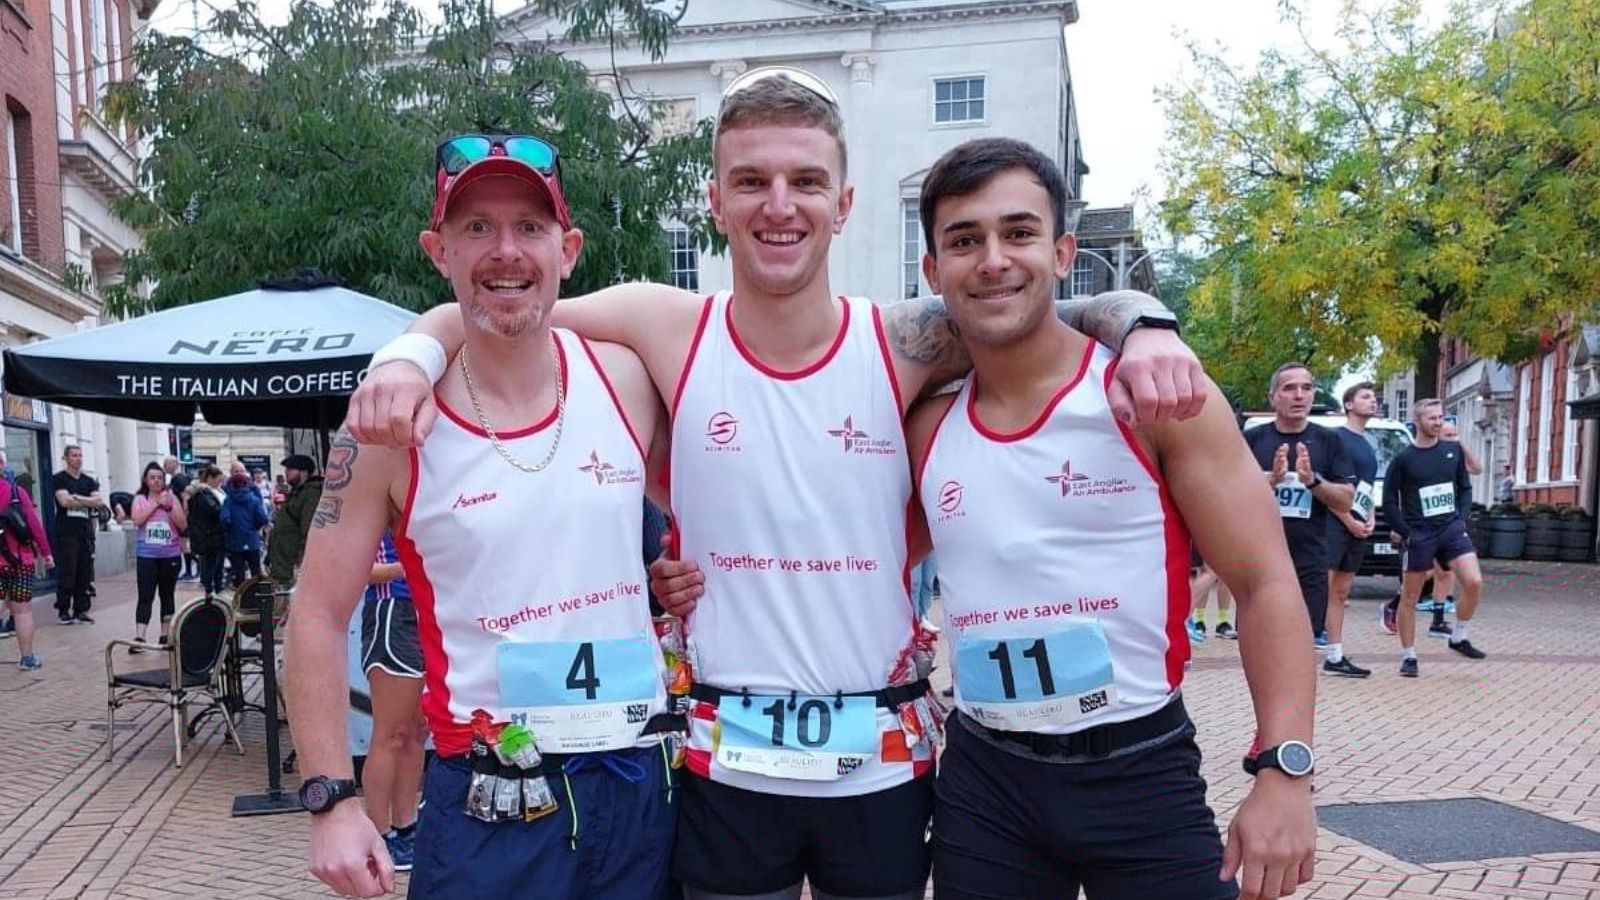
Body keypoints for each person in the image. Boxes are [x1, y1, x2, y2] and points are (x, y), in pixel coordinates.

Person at [347, 71, 1206, 900]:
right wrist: (412, 350)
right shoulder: (666, 325)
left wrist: (1144, 324)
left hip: (879, 753)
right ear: (716, 203)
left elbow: (1030, 307)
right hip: (728, 754)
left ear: (845, 203)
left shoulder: (904, 341)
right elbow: (503, 298)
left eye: (806, 180)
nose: (780, 204)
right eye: (751, 181)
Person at [657, 138, 1317, 899]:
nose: (994, 260)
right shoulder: (924, 428)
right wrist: (682, 571)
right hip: (988, 788)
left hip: (1141, 773)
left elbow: (1266, 583)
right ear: (934, 272)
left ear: (1063, 251)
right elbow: (821, 529)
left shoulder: (1152, 400)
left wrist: (1285, 770)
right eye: (965, 241)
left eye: (1019, 233)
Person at [288, 132, 679, 900]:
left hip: (642, 793)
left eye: (529, 228)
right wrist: (331, 800)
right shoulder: (386, 429)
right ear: (439, 251)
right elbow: (316, 612)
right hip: (490, 809)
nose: (507, 252)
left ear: (568, 249)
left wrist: (680, 570)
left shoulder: (629, 378)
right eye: (477, 229)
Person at [1243, 364, 1355, 652]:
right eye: (1289, 388)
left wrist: (1313, 481)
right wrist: (1270, 480)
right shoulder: (1253, 440)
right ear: (1273, 397)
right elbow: (1229, 497)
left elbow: (1345, 500)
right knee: (1265, 644)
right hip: (1263, 558)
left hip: (1311, 559)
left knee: (1304, 643)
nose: (1299, 395)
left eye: (1306, 388)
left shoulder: (1329, 440)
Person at [1383, 399, 1488, 676]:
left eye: (1440, 417)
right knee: (1411, 596)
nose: (1438, 422)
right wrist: (1407, 532)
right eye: (1432, 418)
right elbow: (1389, 501)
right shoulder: (1404, 459)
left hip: (1451, 529)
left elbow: (1465, 488)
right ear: (1417, 421)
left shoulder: (1452, 451)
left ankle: (1459, 636)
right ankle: (1409, 656)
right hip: (1420, 533)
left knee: (1474, 581)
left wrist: (1460, 517)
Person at [358, 531, 427, 873]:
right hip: (391, 612)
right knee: (392, 733)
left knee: (416, 733)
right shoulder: (377, 498)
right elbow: (361, 569)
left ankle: (406, 825)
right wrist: (409, 566)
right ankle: (378, 833)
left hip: (424, 612)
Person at [1322, 383, 1377, 678]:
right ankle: (1301, 650)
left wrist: (1370, 518)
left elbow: (1365, 488)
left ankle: (1335, 654)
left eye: (1374, 397)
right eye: (1366, 397)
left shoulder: (1369, 445)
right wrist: (1348, 520)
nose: (1373, 401)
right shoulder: (1336, 439)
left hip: (1358, 525)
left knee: (1341, 592)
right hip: (1334, 524)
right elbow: (1328, 488)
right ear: (1349, 405)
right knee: (1321, 588)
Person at [0, 451, 52, 669]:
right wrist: (46, 553)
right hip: (20, 561)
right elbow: (33, 524)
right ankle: (27, 658)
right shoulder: (16, 492)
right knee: (22, 611)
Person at [129, 461, 187, 653]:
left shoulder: (171, 498)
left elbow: (183, 524)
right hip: (147, 555)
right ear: (146, 480)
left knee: (167, 595)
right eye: (152, 478)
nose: (156, 481)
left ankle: (165, 635)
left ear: (164, 480)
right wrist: (155, 504)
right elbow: (137, 520)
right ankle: (140, 636)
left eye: (159, 478)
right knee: (145, 595)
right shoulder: (140, 499)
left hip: (169, 554)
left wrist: (169, 507)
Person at [51, 445, 100, 624]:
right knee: (67, 571)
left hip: (85, 532)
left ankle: (81, 609)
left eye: (80, 455)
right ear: (66, 458)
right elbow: (63, 501)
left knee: (84, 572)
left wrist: (77, 498)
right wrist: (86, 501)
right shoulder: (59, 479)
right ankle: (63, 609)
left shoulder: (89, 480)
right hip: (66, 532)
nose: (78, 459)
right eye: (74, 455)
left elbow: (98, 501)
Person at [268, 455, 323, 585]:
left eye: (290, 469)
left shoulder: (311, 494)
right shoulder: (297, 492)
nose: (286, 472)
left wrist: (301, 562)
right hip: (283, 562)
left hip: (293, 564)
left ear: (303, 472)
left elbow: (309, 530)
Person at [222, 470, 270, 587]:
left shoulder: (228, 501)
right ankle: (257, 596)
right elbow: (263, 518)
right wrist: (255, 527)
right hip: (252, 540)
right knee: (255, 572)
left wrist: (229, 531)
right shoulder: (254, 500)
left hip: (234, 542)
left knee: (239, 573)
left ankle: (240, 598)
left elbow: (224, 519)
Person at [185, 466, 227, 598]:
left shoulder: (217, 491)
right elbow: (211, 509)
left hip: (217, 533)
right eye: (218, 480)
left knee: (217, 563)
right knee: (211, 564)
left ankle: (216, 588)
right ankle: (210, 589)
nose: (219, 483)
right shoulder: (203, 492)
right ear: (210, 478)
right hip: (209, 534)